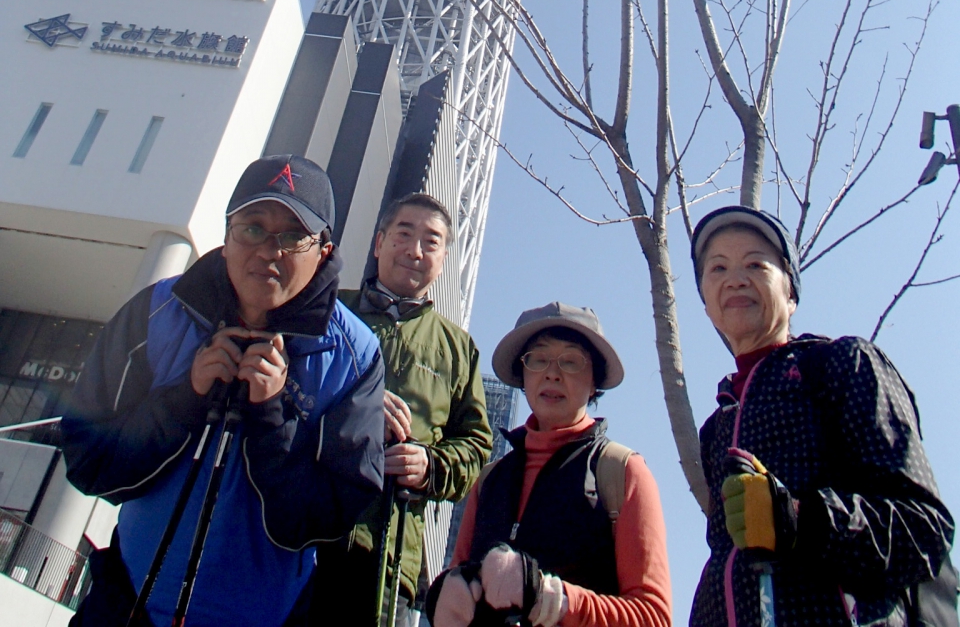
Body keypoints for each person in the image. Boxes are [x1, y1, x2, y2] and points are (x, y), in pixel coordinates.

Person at [62, 153, 384, 627]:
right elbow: (88, 459)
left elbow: (333, 515)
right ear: (227, 235)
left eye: (293, 236)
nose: (269, 251)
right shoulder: (158, 311)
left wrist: (272, 418)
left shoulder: (354, 355)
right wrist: (185, 399)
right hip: (125, 603)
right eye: (253, 228)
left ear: (324, 252)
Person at [688, 204, 957, 627]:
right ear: (706, 303)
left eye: (756, 264)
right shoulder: (716, 427)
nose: (735, 278)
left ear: (791, 293)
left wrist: (798, 519)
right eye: (717, 268)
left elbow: (925, 530)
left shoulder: (844, 365)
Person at [429, 302, 672, 627]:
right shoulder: (489, 480)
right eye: (538, 359)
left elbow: (652, 616)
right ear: (523, 374)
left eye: (571, 361)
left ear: (594, 381)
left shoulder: (622, 472)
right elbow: (457, 586)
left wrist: (550, 599)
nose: (552, 373)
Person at [316, 192, 492, 625]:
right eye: (404, 234)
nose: (415, 251)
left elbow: (476, 446)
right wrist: (353, 409)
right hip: (305, 533)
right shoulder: (328, 312)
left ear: (443, 260)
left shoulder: (458, 350)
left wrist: (430, 465)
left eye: (431, 242)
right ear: (379, 243)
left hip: (390, 559)